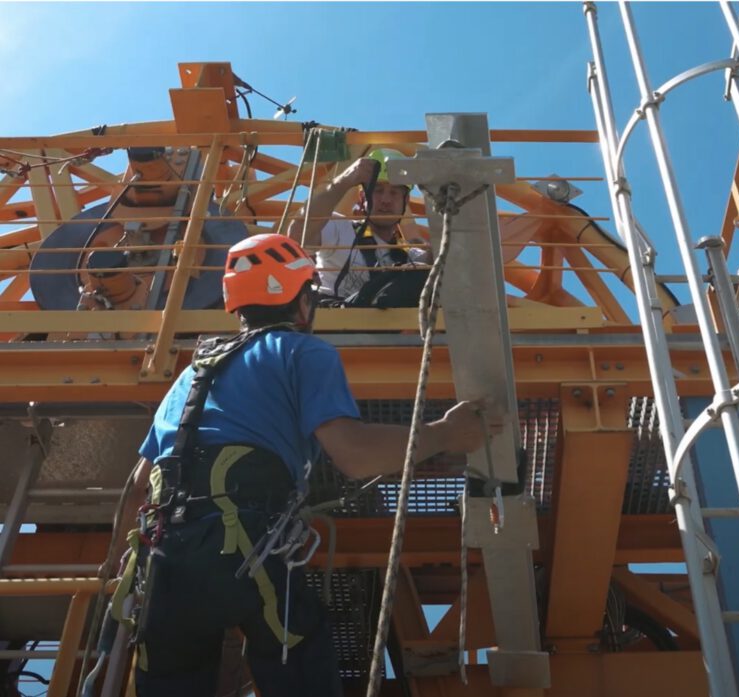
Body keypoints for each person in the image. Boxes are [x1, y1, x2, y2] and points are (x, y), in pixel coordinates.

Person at [116, 233, 500, 696]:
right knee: (299, 653)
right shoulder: (302, 351)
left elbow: (137, 490)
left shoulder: (191, 374)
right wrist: (444, 434)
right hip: (243, 546)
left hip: (164, 566)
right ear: (302, 300)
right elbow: (354, 455)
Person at [288, 148, 430, 307]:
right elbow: (297, 235)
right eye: (378, 190)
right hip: (335, 321)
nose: (386, 200)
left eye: (394, 192)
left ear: (406, 200)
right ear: (363, 198)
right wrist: (343, 182)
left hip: (384, 327)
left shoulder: (409, 254)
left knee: (420, 272)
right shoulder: (339, 229)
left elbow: (445, 267)